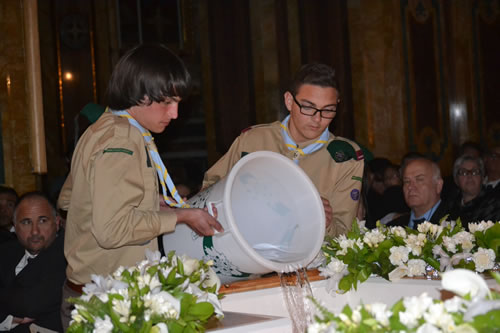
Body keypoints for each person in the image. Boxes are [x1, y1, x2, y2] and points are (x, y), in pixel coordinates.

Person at [57, 44, 222, 330]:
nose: (175, 113)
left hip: (84, 290)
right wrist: (181, 216)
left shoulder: (101, 127)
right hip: (106, 303)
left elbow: (69, 199)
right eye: (168, 102)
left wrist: (146, 201)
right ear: (140, 95)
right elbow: (111, 231)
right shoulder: (122, 139)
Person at [202, 63, 365, 237]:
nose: (317, 119)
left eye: (328, 110)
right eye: (308, 107)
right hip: (246, 246)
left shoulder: (345, 157)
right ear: (289, 101)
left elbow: (345, 235)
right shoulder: (253, 140)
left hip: (308, 259)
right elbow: (210, 190)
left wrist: (324, 223)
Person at [0, 192, 66, 332]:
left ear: (57, 222)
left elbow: (29, 305)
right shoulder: (6, 251)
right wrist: (8, 320)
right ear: (15, 227)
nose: (35, 231)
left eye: (42, 221)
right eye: (26, 222)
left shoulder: (67, 256)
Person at [387, 157, 448, 228]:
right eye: (407, 181)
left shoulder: (456, 224)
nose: (410, 187)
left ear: (438, 185)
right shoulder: (393, 228)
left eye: (419, 179)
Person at [447, 155, 500, 224]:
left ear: (482, 177)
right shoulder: (450, 204)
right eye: (463, 172)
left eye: (475, 172)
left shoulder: (494, 204)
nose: (469, 176)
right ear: (456, 179)